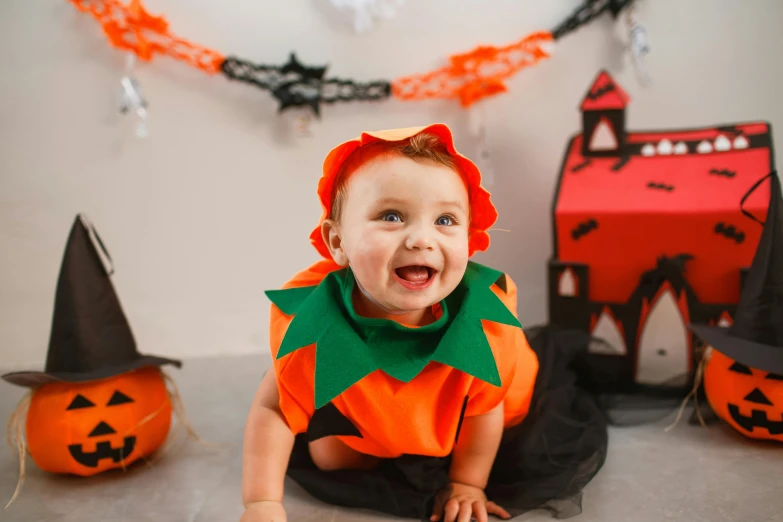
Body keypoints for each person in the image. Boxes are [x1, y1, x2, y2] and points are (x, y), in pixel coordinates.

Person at [240, 124, 607, 522]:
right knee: (328, 458)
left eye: (445, 220)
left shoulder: (481, 326)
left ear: (469, 237)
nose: (421, 239)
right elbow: (273, 409)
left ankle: (437, 450)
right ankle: (383, 434)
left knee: (492, 443)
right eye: (392, 216)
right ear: (337, 243)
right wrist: (261, 503)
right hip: (373, 400)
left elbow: (484, 410)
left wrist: (468, 483)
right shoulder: (316, 323)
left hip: (466, 415)